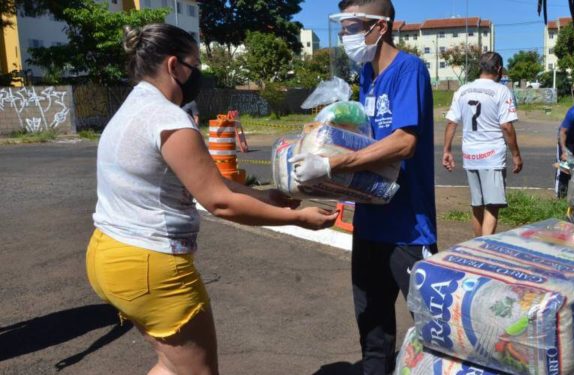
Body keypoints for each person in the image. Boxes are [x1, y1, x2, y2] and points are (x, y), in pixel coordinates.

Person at [87, 23, 337, 375]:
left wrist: (263, 195)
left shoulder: (134, 108)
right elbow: (219, 201)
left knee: (173, 365)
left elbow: (208, 181)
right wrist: (297, 218)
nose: (199, 74)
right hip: (150, 264)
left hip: (110, 254)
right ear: (174, 66)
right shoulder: (168, 119)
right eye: (195, 64)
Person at [291, 1, 437, 373]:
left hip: (409, 228)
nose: (346, 35)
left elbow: (404, 142)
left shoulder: (408, 70)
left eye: (353, 25)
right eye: (343, 26)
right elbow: (366, 139)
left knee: (434, 326)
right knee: (372, 329)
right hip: (370, 222)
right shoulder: (365, 76)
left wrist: (333, 163)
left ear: (381, 26)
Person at [441, 52, 523, 236]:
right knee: (492, 206)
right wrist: (516, 155)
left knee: (477, 205)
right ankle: (484, 249)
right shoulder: (501, 91)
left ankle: (476, 244)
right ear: (499, 70)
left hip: (470, 155)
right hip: (491, 155)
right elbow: (506, 126)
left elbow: (451, 122)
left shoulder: (463, 90)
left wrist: (446, 150)